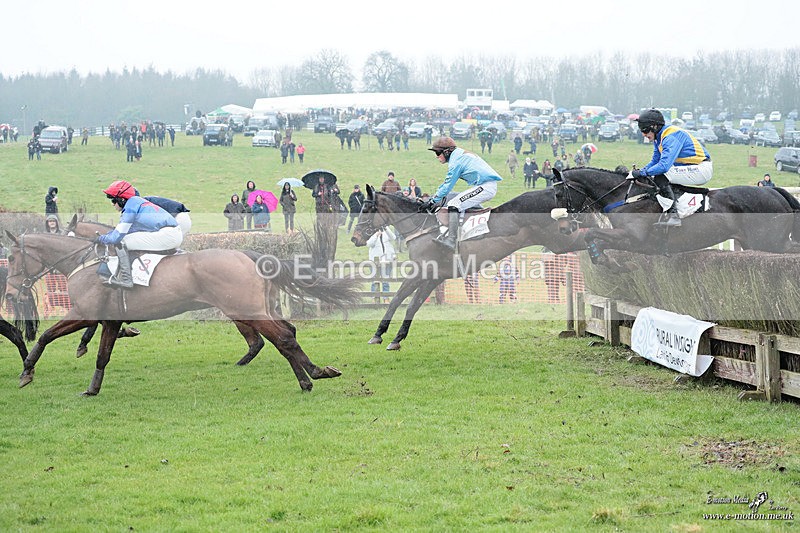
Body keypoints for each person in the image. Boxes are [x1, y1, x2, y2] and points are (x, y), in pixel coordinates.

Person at [630, 108, 713, 227]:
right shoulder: (659, 138)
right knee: (654, 177)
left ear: (655, 126)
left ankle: (673, 216)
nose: (643, 134)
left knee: (661, 176)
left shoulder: (670, 136)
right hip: (691, 167)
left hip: (701, 168)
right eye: (641, 130)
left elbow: (663, 166)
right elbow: (655, 161)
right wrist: (641, 171)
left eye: (645, 130)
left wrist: (644, 173)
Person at [97, 180, 183, 289]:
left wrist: (101, 238)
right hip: (172, 233)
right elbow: (130, 230)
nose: (113, 204)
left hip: (167, 235)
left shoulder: (130, 207)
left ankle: (126, 279)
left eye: (113, 200)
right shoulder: (137, 202)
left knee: (121, 242)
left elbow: (117, 237)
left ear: (122, 199)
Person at [425, 136, 502, 251]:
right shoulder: (458, 154)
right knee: (457, 201)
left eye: (437, 153)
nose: (436, 156)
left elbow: (447, 186)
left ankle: (451, 240)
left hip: (486, 186)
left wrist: (432, 201)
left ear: (446, 152)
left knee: (454, 204)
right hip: (483, 185)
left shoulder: (456, 162)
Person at [367, 227, 396, 303]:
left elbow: (393, 237)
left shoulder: (386, 232)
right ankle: (374, 298)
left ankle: (386, 298)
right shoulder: (370, 232)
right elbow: (369, 243)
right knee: (374, 281)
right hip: (375, 261)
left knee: (385, 280)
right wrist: (376, 235)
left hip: (387, 260)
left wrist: (386, 228)